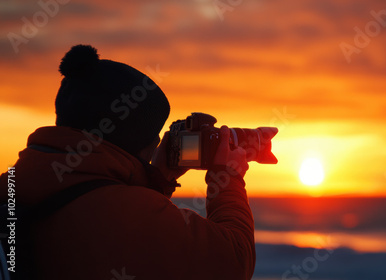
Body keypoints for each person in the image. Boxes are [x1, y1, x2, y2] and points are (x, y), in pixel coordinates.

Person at [0, 45, 255, 279]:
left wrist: (157, 179)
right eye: (154, 140)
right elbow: (234, 261)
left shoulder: (14, 184)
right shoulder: (127, 214)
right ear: (139, 144)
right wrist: (227, 178)